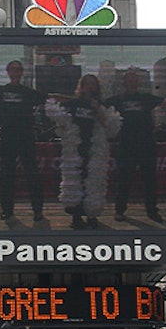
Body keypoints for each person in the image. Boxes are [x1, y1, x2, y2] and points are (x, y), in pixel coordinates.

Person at [105, 69, 166, 223]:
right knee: (123, 179)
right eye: (129, 79)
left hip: (146, 143)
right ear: (124, 82)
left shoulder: (145, 98)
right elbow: (94, 105)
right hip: (126, 144)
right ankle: (120, 211)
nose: (132, 81)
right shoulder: (116, 100)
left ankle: (152, 211)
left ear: (138, 82)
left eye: (134, 79)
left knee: (150, 180)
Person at [46, 74, 120, 229]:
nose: (90, 87)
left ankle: (92, 215)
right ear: (81, 86)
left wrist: (96, 106)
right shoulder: (73, 104)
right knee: (75, 181)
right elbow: (62, 122)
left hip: (94, 149)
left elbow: (109, 126)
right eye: (87, 84)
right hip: (75, 149)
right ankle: (76, 216)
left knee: (94, 182)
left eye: (93, 84)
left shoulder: (101, 105)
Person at [0, 60, 47, 221]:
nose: (16, 72)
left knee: (32, 174)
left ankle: (38, 211)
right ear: (8, 71)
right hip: (7, 136)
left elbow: (51, 97)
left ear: (21, 72)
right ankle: (7, 210)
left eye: (18, 69)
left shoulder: (29, 92)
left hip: (26, 136)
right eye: (13, 69)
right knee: (6, 175)